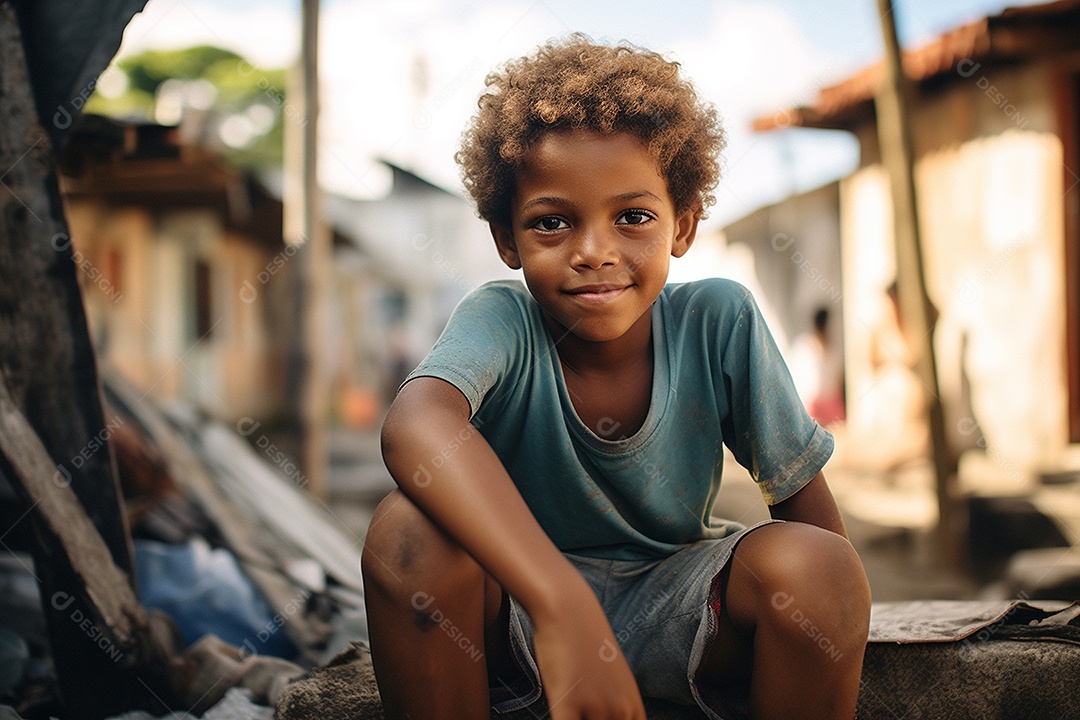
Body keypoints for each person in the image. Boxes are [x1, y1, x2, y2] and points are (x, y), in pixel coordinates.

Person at [361, 35, 871, 720]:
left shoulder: (717, 320)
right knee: (406, 532)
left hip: (688, 612)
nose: (594, 251)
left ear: (682, 226)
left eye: (633, 217)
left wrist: (834, 613)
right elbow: (416, 425)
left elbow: (819, 536)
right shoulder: (502, 320)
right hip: (520, 617)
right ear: (507, 239)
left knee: (821, 567)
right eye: (552, 222)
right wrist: (559, 603)